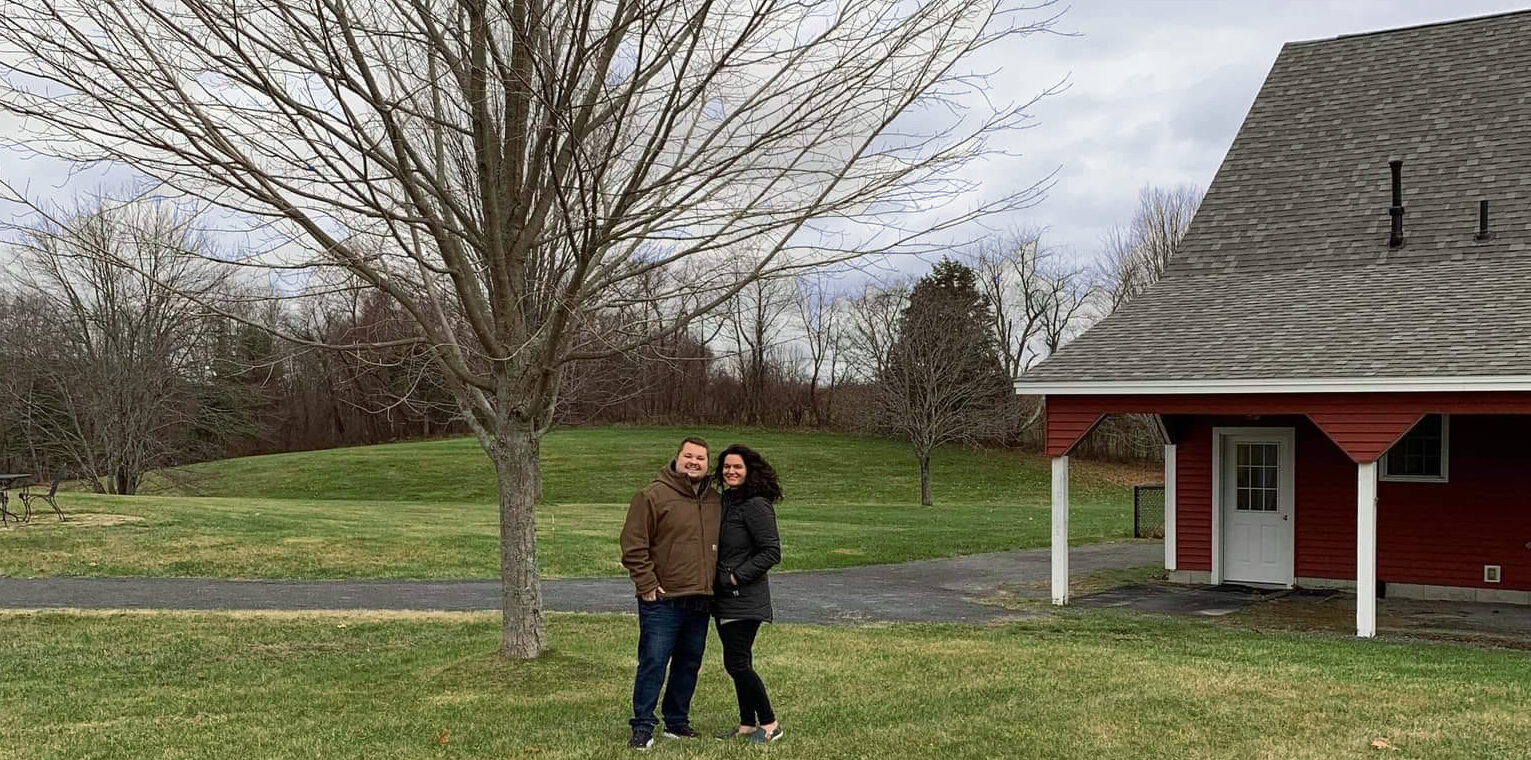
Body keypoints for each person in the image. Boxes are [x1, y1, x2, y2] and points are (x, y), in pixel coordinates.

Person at [619, 436, 721, 750]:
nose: (695, 462)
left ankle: (677, 721)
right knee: (653, 661)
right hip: (663, 600)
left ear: (707, 464)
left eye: (701, 458)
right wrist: (647, 585)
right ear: (676, 459)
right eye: (689, 456)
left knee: (689, 663)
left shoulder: (715, 500)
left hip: (700, 599)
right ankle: (643, 726)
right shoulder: (652, 496)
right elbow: (633, 545)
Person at [711, 444, 784, 744]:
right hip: (725, 598)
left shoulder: (755, 504)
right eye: (726, 467)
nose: (731, 471)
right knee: (739, 662)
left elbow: (772, 552)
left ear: (749, 470)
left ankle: (770, 724)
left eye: (737, 467)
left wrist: (734, 577)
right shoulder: (727, 501)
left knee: (737, 663)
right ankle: (746, 724)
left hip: (744, 598)